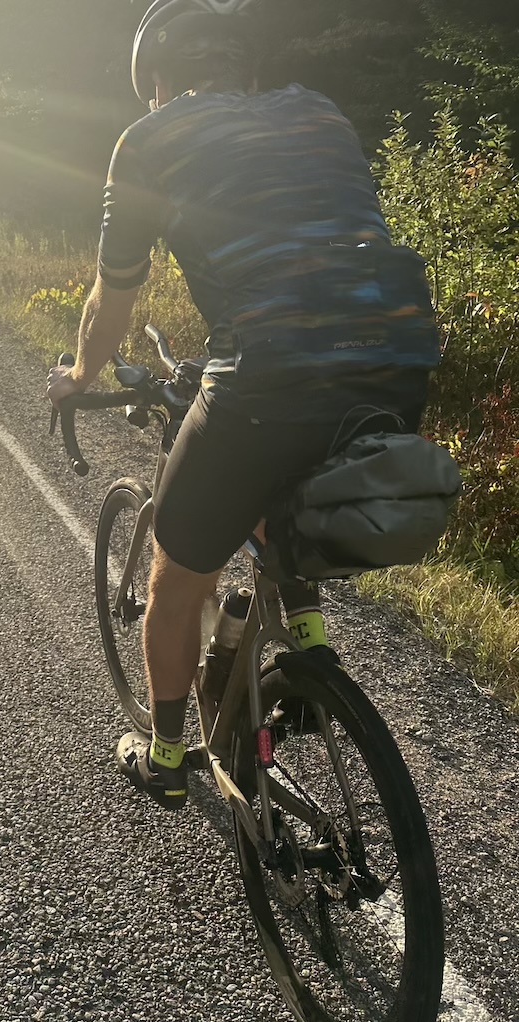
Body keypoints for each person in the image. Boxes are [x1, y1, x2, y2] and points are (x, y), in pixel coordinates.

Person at [46, 0, 438, 810]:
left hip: (265, 378)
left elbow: (113, 297)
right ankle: (310, 650)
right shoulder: (318, 112)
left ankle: (164, 754)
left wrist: (81, 376)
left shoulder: (148, 141)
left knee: (176, 576)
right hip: (397, 365)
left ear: (155, 77)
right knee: (276, 504)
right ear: (243, 67)